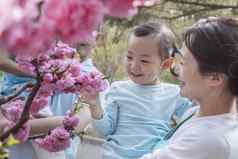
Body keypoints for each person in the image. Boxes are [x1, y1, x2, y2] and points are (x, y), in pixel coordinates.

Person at [79, 22, 193, 159]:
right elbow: (105, 130)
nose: (134, 66)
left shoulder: (175, 94)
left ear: (166, 64)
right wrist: (95, 104)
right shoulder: (118, 89)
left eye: (144, 61)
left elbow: (192, 123)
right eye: (129, 57)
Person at [140, 17, 238, 159]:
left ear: (215, 78)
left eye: (183, 61)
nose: (176, 68)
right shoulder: (197, 113)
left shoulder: (208, 140)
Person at [50, 42, 97, 159]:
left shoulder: (96, 79)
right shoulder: (43, 66)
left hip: (62, 152)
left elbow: (79, 124)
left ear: (97, 38)